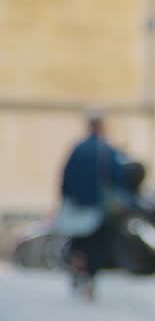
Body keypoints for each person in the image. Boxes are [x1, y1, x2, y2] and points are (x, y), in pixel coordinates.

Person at [56, 108, 130, 300]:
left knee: (79, 241)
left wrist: (65, 198)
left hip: (78, 203)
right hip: (98, 205)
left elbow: (65, 177)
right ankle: (89, 279)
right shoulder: (106, 150)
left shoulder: (78, 149)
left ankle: (78, 266)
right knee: (96, 244)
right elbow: (118, 176)